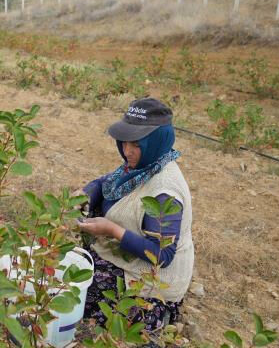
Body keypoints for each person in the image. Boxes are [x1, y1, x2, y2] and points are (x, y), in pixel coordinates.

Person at [75, 98, 194, 332]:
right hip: (124, 257)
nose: (127, 151)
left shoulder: (165, 192)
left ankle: (158, 318)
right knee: (69, 268)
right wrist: (85, 194)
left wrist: (112, 230)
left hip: (150, 281)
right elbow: (105, 183)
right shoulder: (142, 167)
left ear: (156, 142)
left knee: (75, 291)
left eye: (137, 145)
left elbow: (162, 254)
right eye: (124, 142)